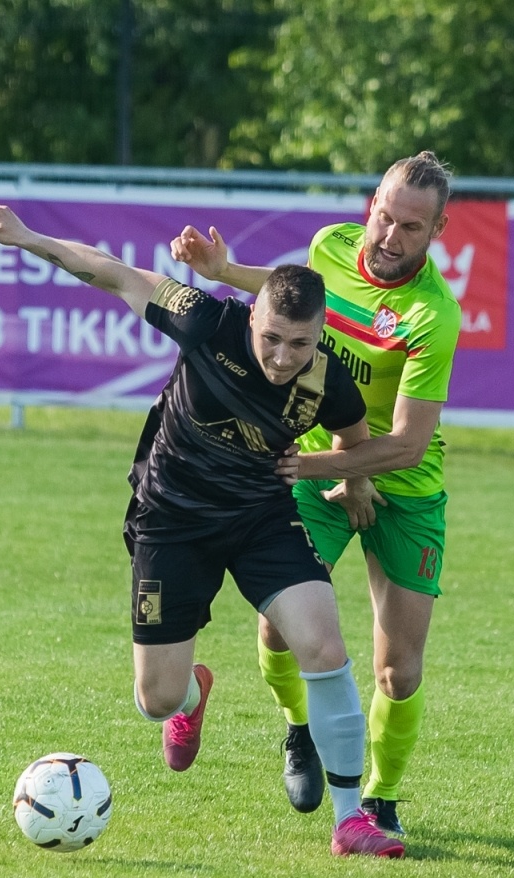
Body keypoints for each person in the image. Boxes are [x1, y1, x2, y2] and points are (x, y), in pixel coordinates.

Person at [0, 199, 403, 858]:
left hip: (261, 516)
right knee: (155, 699)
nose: (283, 356)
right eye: (272, 338)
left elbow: (353, 432)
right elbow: (112, 273)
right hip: (170, 519)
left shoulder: (327, 376)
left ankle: (350, 822)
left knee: (324, 648)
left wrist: (357, 481)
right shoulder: (204, 320)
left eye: (300, 343)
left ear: (320, 335)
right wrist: (24, 236)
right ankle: (191, 694)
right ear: (251, 316)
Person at [171, 152, 461, 836]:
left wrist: (309, 465)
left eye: (411, 228)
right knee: (276, 624)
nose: (390, 237)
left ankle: (381, 799)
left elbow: (406, 445)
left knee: (399, 673)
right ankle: (300, 726)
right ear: (371, 205)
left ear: (438, 230)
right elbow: (294, 294)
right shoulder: (331, 244)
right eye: (384, 217)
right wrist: (224, 273)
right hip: (326, 469)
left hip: (402, 489)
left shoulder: (432, 315)